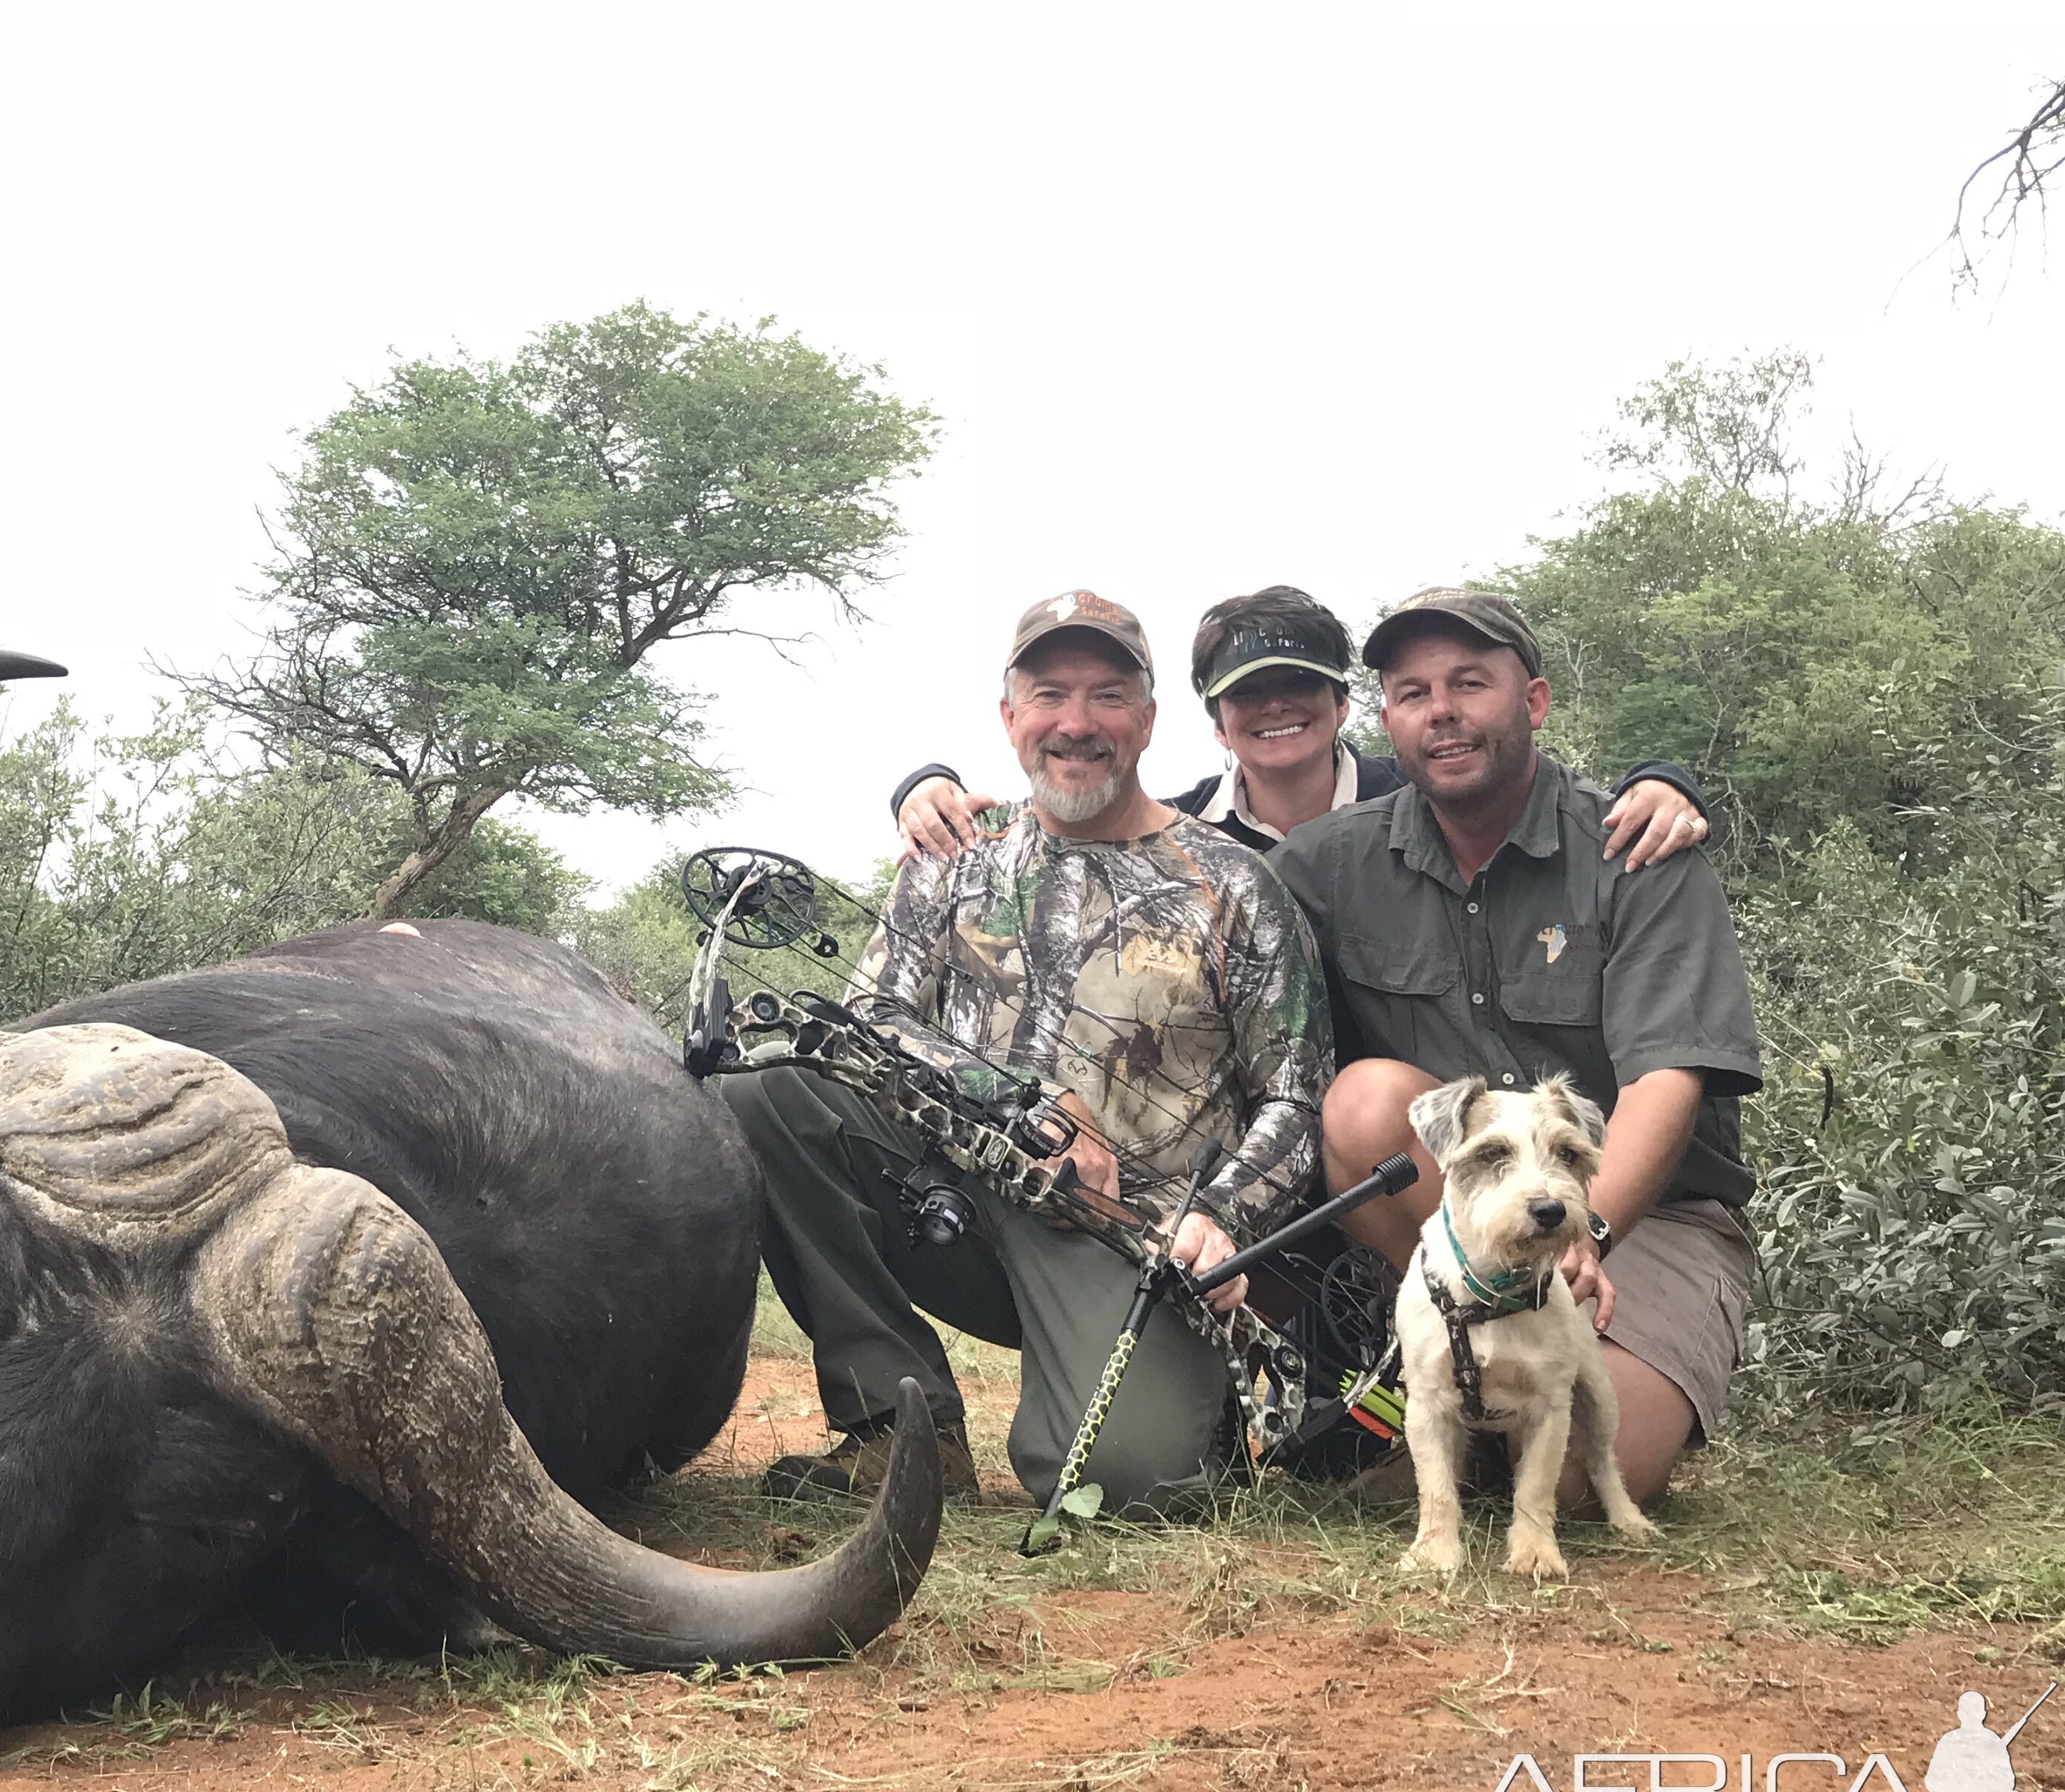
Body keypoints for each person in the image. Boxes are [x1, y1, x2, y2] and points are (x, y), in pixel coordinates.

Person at [716, 590, 1332, 1513]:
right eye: (1049, 695)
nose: (1076, 724)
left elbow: (1295, 1096)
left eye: (1108, 696)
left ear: (1150, 721)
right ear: (1010, 719)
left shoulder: (1236, 883)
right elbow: (867, 1021)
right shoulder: (953, 855)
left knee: (1127, 1489)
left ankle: (1181, 1410)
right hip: (953, 1199)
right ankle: (893, 1428)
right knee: (766, 1096)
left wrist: (1222, 1218)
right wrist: (1018, 1102)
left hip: (1131, 1236)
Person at [1268, 588, 1760, 1507]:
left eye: (1469, 683)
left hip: (1650, 1214)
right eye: (1412, 693)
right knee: (1367, 1101)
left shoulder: (1636, 845)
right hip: (1461, 1215)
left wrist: (1590, 1237)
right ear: (1388, 720)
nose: (1441, 712)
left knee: (1585, 1481)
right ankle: (1434, 1364)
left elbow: (1668, 1077)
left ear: (1532, 701)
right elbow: (1184, 875)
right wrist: (940, 799)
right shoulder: (1331, 861)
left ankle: (1479, 1415)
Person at [888, 584, 1711, 866]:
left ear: (1346, 705)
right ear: (1215, 723)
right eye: (1250, 694)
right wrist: (924, 787)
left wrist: (1663, 782)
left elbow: (1529, 787)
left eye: (1299, 687)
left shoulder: (1424, 795)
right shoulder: (1180, 838)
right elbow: (1065, 815)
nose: (1277, 707)